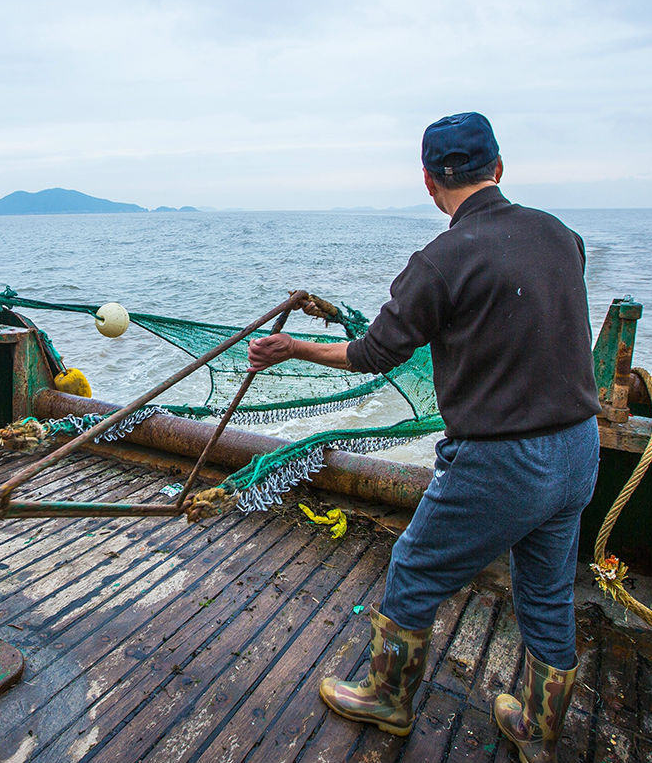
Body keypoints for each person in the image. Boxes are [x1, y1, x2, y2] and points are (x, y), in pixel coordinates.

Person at [248, 113, 600, 763]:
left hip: (502, 459)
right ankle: (541, 734)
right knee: (547, 591)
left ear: (431, 182)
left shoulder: (439, 262)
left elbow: (374, 354)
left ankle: (388, 700)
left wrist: (295, 346)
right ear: (498, 167)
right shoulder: (562, 237)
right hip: (579, 447)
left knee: (412, 568)